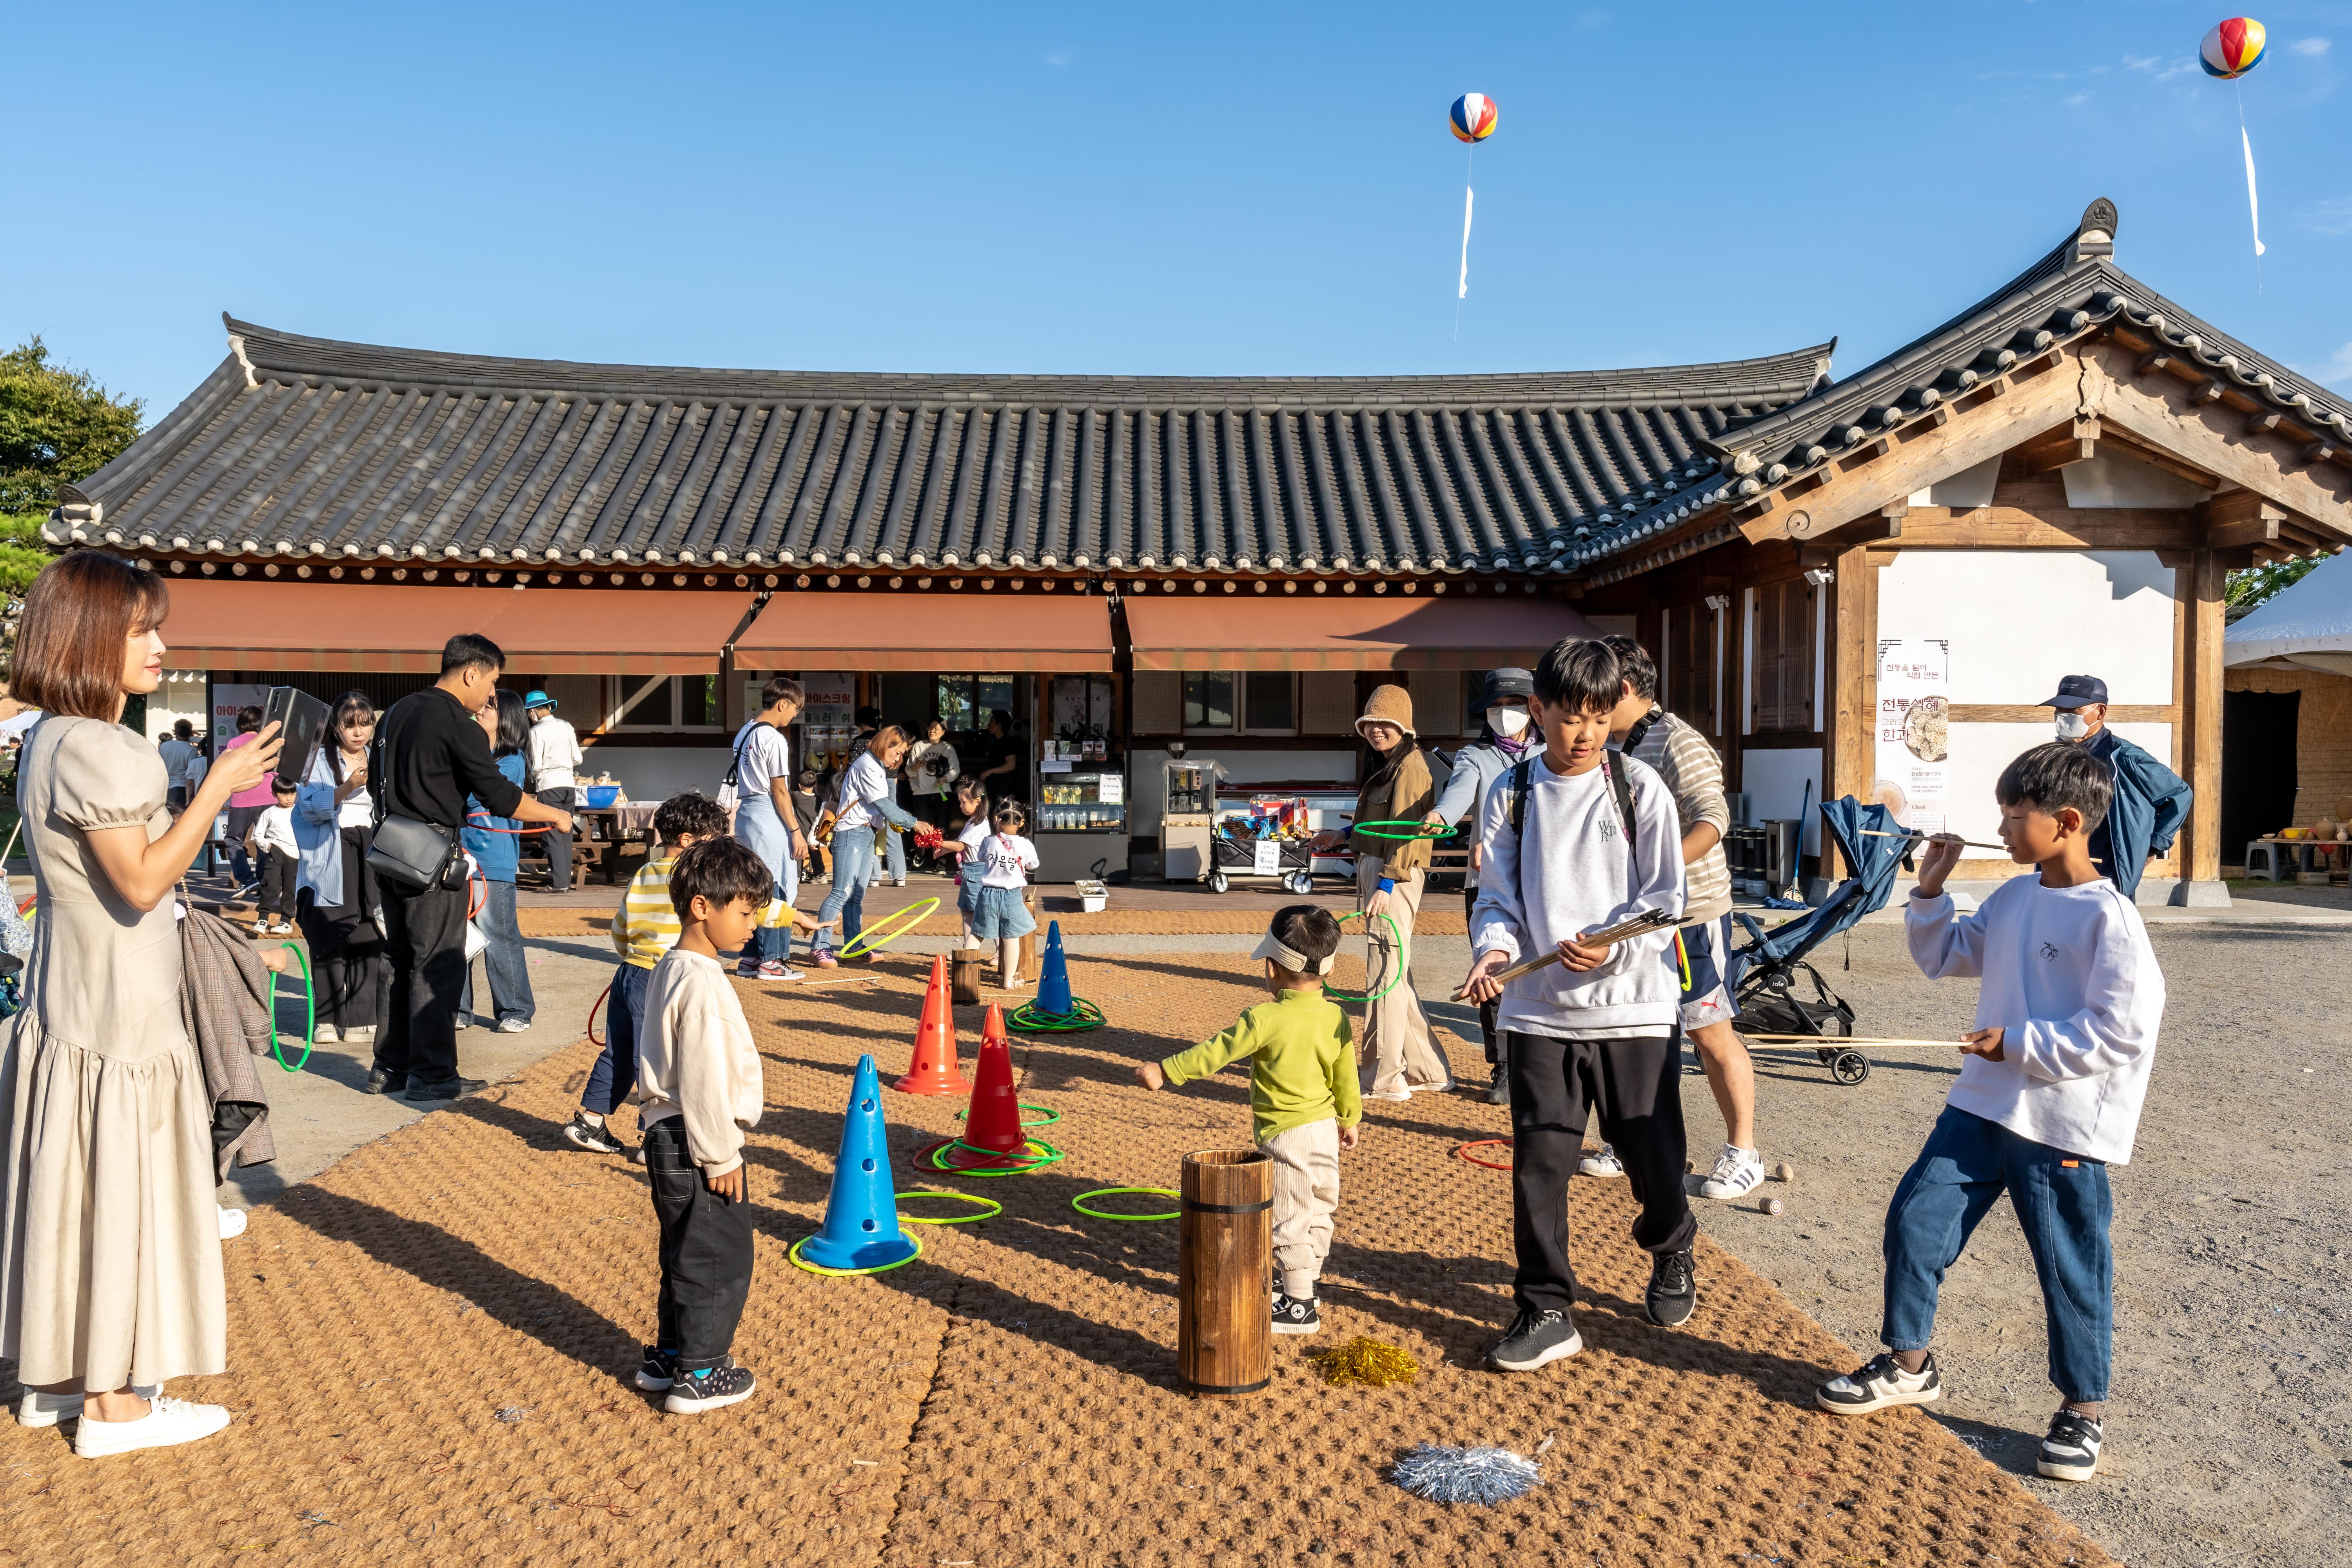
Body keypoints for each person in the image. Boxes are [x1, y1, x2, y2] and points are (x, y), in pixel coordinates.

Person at [1816, 742, 2163, 1486]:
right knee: (1915, 1220)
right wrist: (1932, 891)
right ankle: (1909, 1362)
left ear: (2067, 822)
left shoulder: (2113, 919)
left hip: (2061, 1122)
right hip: (1980, 1104)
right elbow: (1947, 956)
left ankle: (2083, 1409)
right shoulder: (2013, 896)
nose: (2001, 829)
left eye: (2015, 817)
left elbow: (2122, 1031)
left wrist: (2021, 1043)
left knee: (2070, 1267)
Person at [0, 550, 283, 1456]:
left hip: (71, 1004)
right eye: (140, 629)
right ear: (88, 639)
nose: (161, 646)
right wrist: (217, 788)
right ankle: (116, 1405)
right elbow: (142, 879)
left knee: (75, 1192)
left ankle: (66, 1374)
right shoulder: (104, 746)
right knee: (121, 1194)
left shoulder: (47, 737)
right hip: (122, 1014)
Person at [1459, 638, 1694, 1372]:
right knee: (1541, 1166)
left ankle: (1672, 1243)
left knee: (1652, 1159)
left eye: (1598, 717)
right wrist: (1494, 953)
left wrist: (1613, 946)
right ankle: (1547, 1306)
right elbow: (1494, 896)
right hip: (1537, 1013)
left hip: (1633, 1009)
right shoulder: (1512, 793)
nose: (1585, 733)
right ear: (1538, 713)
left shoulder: (1639, 787)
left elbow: (1666, 903)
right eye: (1569, 718)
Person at [1134, 904, 1362, 1336]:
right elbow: (1345, 1074)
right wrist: (1350, 1118)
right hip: (1324, 1131)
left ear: (1273, 969)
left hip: (1287, 1136)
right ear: (1328, 968)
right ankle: (1306, 1285)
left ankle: (1299, 1309)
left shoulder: (1265, 1018)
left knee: (1289, 1218)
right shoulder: (1336, 1017)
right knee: (1317, 1210)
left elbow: (1216, 1052)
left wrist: (1165, 1070)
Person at [368, 635, 572, 1103]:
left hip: (391, 848)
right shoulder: (455, 722)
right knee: (436, 962)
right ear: (471, 673)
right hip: (434, 854)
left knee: (396, 960)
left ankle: (389, 1067)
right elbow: (500, 795)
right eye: (492, 684)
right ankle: (433, 1075)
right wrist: (555, 815)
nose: (490, 697)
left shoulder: (397, 711)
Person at [1601, 635, 1752, 1198]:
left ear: (1623, 688)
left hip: (1692, 915)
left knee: (1710, 1033)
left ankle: (1744, 1151)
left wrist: (1657, 868)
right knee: (1641, 1029)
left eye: (1596, 691)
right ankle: (1632, 1142)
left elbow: (1714, 818)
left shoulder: (1678, 741)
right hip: (1641, 914)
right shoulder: (1617, 746)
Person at [633, 837, 769, 1415]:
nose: (752, 927)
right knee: (720, 1256)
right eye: (744, 913)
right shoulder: (706, 983)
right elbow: (705, 1076)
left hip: (664, 1131)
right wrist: (722, 1155)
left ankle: (671, 1353)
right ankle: (702, 1371)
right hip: (696, 1137)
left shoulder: (671, 966)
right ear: (702, 908)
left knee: (683, 1251)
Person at [564, 791, 730, 1158]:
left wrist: (631, 958)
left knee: (619, 1052)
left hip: (630, 973)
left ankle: (590, 1121)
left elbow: (619, 927)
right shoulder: (695, 879)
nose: (717, 851)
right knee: (658, 1059)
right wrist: (790, 916)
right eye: (713, 843)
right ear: (688, 841)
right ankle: (653, 1140)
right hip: (664, 976)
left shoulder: (643, 873)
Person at [1312, 684, 1451, 1102]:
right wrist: (1342, 834)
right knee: (1395, 973)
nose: (1376, 730)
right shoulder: (1391, 764)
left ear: (1403, 727)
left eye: (1385, 723)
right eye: (1370, 723)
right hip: (1380, 867)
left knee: (1384, 973)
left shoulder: (1411, 767)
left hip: (1397, 874)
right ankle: (1428, 1069)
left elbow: (1407, 832)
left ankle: (1385, 1077)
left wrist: (1387, 884)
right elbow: (1383, 820)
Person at [1426, 668, 1538, 1104]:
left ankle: (1541, 1063)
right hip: (1489, 882)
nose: (1505, 714)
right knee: (1494, 975)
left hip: (1546, 881)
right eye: (1497, 707)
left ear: (1534, 708)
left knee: (1547, 970)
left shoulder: (1556, 752)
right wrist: (1440, 817)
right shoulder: (1475, 757)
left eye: (1514, 706)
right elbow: (1456, 796)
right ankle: (1505, 1068)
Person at [2038, 675, 2192, 899]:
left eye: (2073, 712)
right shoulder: (2053, 756)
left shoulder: (2123, 757)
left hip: (2108, 870)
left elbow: (2179, 795)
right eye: (2058, 710)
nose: (2063, 718)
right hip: (2058, 866)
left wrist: (2152, 847)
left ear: (2100, 712)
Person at [293, 693, 385, 1047]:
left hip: (372, 849)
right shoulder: (318, 760)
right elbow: (310, 805)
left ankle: (364, 1017)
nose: (358, 732)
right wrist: (348, 787)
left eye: (365, 724)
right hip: (330, 851)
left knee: (370, 929)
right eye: (350, 725)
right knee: (329, 933)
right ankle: (327, 1019)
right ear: (335, 727)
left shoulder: (379, 757)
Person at [811, 724, 922, 966]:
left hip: (866, 833)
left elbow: (882, 806)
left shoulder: (876, 767)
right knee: (842, 891)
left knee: (856, 894)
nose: (899, 757)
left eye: (902, 753)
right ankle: (820, 946)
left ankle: (853, 945)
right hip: (851, 832)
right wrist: (914, 823)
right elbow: (883, 803)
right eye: (898, 751)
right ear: (886, 744)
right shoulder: (867, 765)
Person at [457, 690, 535, 1034]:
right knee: (456, 935)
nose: (481, 710)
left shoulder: (513, 760)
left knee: (499, 935)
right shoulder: (469, 752)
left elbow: (480, 795)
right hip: (459, 855)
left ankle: (516, 1009)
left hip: (494, 861)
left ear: (507, 719)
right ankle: (459, 1009)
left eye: (490, 707)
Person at [728, 678, 806, 981]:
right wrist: (796, 830)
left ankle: (750, 958)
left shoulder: (744, 732)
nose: (793, 717)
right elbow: (781, 790)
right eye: (794, 710)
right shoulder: (774, 738)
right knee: (778, 885)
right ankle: (773, 960)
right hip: (768, 814)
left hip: (746, 812)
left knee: (751, 883)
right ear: (782, 704)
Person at [967, 798, 1040, 989]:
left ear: (997, 818)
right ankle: (1008, 980)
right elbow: (1033, 865)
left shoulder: (989, 841)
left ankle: (965, 977)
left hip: (988, 894)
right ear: (1022, 822)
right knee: (1011, 937)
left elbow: (981, 857)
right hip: (1012, 895)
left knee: (977, 934)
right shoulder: (1026, 845)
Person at [524, 689, 584, 893]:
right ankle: (564, 880)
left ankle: (559, 884)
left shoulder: (535, 733)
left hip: (549, 786)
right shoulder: (567, 727)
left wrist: (530, 776)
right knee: (566, 831)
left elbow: (537, 766)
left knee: (551, 834)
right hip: (569, 783)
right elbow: (578, 759)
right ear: (550, 707)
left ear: (532, 712)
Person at [220, 705, 274, 891]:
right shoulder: (269, 742)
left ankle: (247, 879)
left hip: (244, 796)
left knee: (234, 840)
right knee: (265, 840)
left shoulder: (235, 743)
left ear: (241, 723)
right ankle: (265, 882)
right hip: (270, 796)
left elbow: (229, 771)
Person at [246, 777, 301, 937]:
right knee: (270, 886)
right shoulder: (269, 813)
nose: (289, 798)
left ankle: (286, 921)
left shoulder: (300, 812)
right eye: (284, 794)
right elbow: (258, 835)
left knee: (291, 888)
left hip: (296, 855)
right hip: (275, 852)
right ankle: (262, 919)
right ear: (274, 794)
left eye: (292, 794)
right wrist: (268, 846)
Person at [950, 774, 991, 945]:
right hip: (970, 871)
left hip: (976, 871)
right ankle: (968, 948)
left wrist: (936, 842)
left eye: (964, 802)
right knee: (968, 911)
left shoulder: (978, 824)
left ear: (977, 801)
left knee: (983, 913)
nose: (960, 806)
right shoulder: (973, 822)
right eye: (960, 802)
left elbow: (960, 846)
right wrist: (943, 848)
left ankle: (998, 951)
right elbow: (961, 845)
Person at [906, 718, 961, 837]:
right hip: (921, 793)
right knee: (921, 827)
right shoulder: (918, 746)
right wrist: (915, 767)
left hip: (942, 792)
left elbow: (955, 770)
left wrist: (944, 778)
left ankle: (940, 854)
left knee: (941, 827)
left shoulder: (948, 748)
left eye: (936, 729)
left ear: (944, 731)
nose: (932, 731)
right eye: (930, 728)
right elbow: (909, 771)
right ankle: (922, 854)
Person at [972, 708, 1020, 793]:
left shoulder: (1008, 742)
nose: (988, 725)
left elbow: (1011, 765)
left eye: (991, 722)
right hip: (994, 788)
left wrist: (990, 772)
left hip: (1005, 789)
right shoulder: (995, 742)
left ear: (999, 725)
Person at [160, 719, 197, 813]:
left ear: (175, 731)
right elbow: (191, 775)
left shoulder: (165, 746)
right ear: (190, 732)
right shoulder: (192, 750)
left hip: (165, 788)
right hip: (182, 789)